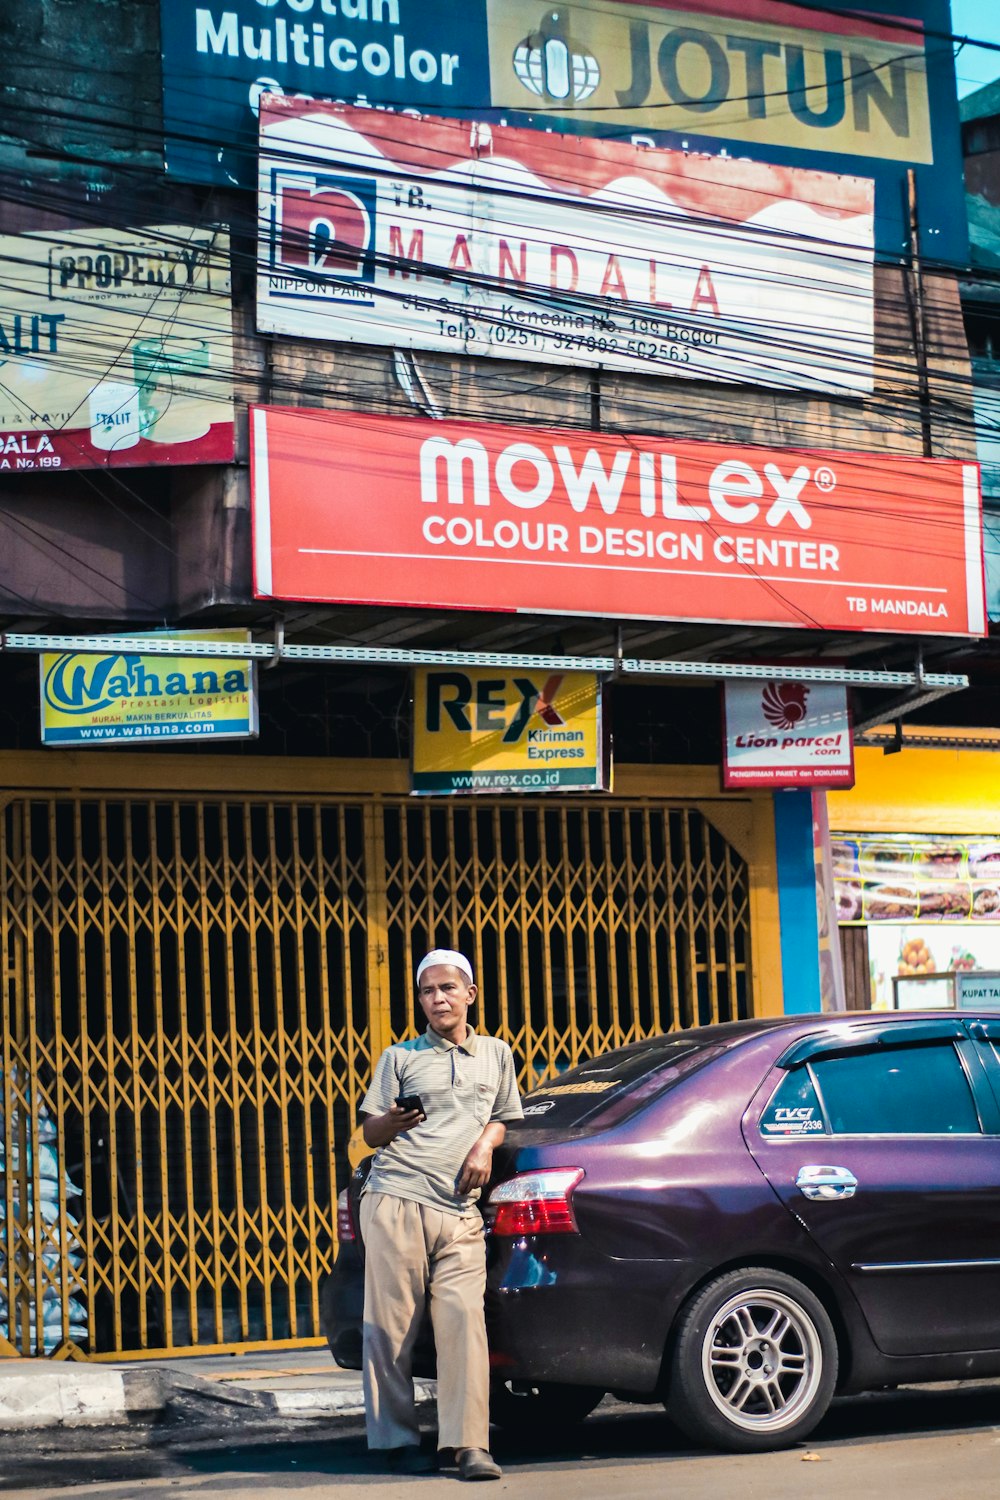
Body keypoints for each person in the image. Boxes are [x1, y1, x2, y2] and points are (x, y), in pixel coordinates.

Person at [359, 948, 523, 1480]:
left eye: (448, 988)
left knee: (463, 1324)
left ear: (470, 994)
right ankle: (394, 1439)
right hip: (396, 1198)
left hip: (459, 1211)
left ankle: (468, 1445)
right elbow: (369, 1135)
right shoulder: (399, 1058)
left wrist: (483, 1147)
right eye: (428, 991)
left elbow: (503, 1117)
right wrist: (394, 1120)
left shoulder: (497, 1054)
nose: (438, 999)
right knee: (390, 1330)